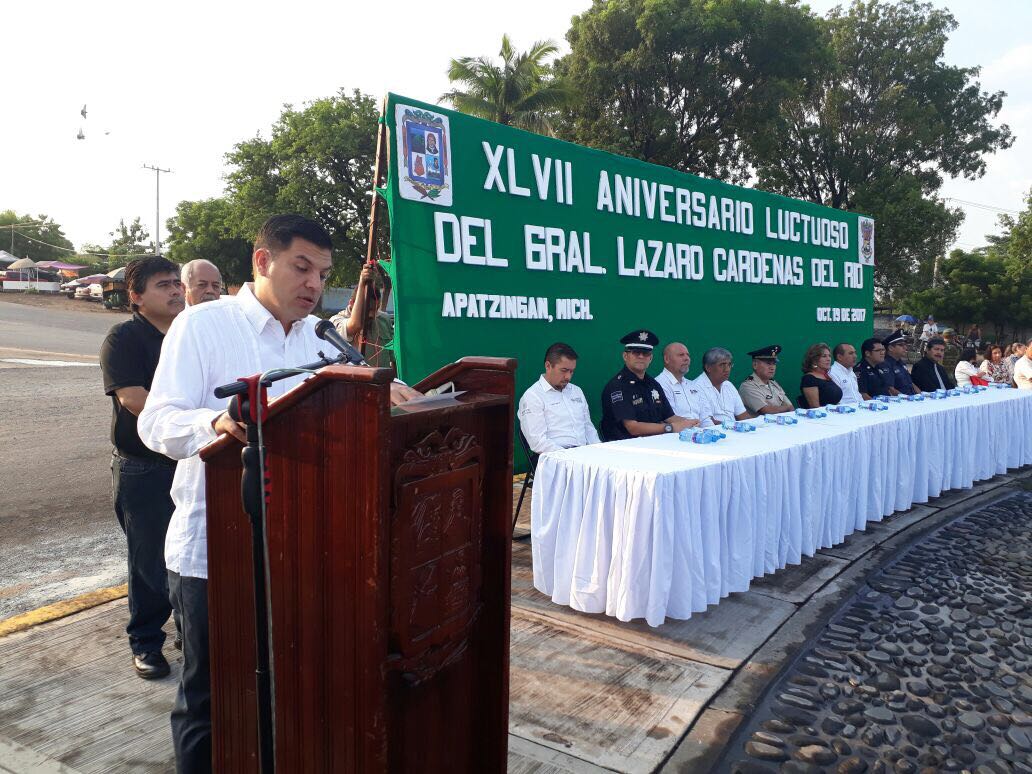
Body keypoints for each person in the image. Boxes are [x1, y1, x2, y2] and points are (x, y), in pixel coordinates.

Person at [139, 215, 420, 773]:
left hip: (299, 548)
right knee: (214, 700)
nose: (315, 283)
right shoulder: (204, 326)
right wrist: (217, 423)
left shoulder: (318, 338)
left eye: (322, 272)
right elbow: (156, 422)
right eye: (302, 267)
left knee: (287, 693)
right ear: (262, 262)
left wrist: (400, 398)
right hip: (216, 551)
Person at [99, 256, 185, 680]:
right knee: (149, 563)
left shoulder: (188, 335)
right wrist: (194, 422)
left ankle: (190, 632)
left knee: (190, 557)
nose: (175, 291)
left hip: (191, 461)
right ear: (136, 297)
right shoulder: (124, 339)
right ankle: (146, 642)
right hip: (146, 469)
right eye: (163, 285)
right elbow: (133, 399)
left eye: (177, 283)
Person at [600, 329, 695, 440]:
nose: (641, 357)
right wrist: (670, 428)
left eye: (645, 353)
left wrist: (691, 424)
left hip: (655, 443)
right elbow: (633, 428)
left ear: (650, 358)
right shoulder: (617, 386)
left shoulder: (653, 384)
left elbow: (669, 417)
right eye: (636, 352)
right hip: (626, 447)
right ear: (625, 356)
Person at [518, 342, 600, 454]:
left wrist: (599, 451)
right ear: (548, 366)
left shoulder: (576, 391)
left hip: (583, 455)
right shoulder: (533, 396)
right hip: (554, 458)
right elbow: (538, 442)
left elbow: (588, 428)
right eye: (564, 370)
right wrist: (568, 457)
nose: (568, 377)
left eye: (571, 371)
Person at [329, 262, 394, 368]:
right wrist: (362, 282)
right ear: (351, 303)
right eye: (369, 309)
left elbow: (392, 358)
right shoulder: (336, 322)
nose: (372, 315)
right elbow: (355, 325)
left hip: (381, 382)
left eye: (376, 309)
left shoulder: (384, 319)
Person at [691, 347, 752, 424]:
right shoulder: (696, 387)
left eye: (729, 365)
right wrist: (735, 426)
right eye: (722, 365)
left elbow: (743, 416)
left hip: (734, 430)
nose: (727, 369)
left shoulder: (728, 385)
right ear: (708, 368)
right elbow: (708, 422)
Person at [655, 342, 707, 426]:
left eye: (688, 355)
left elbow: (705, 417)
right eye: (681, 355)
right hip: (675, 436)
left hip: (700, 433)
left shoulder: (692, 385)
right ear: (667, 359)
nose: (686, 358)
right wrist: (693, 424)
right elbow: (668, 418)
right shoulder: (659, 384)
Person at [738, 344, 794, 415]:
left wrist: (787, 408)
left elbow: (791, 407)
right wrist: (786, 408)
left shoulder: (773, 383)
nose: (772, 367)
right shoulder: (747, 386)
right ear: (755, 365)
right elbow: (767, 411)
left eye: (774, 363)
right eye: (768, 363)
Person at [800, 342, 844, 407]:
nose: (828, 359)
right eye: (824, 356)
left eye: (829, 356)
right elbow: (815, 407)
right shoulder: (809, 379)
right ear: (814, 360)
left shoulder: (826, 376)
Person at [882, 330, 919, 395]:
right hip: (901, 401)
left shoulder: (901, 362)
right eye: (901, 345)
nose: (905, 347)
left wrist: (921, 395)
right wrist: (907, 399)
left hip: (911, 398)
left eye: (905, 345)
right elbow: (890, 389)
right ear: (890, 348)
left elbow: (911, 383)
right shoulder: (885, 364)